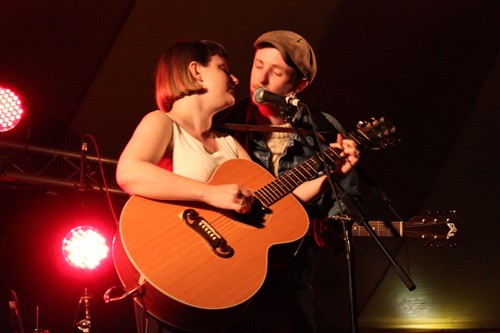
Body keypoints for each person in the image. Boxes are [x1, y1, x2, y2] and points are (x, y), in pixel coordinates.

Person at [214, 30, 363, 332]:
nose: (262, 78)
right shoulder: (225, 119)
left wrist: (335, 226)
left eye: (277, 72)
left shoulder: (324, 129)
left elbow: (345, 201)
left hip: (289, 280)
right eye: (258, 65)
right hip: (224, 267)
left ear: (299, 85)